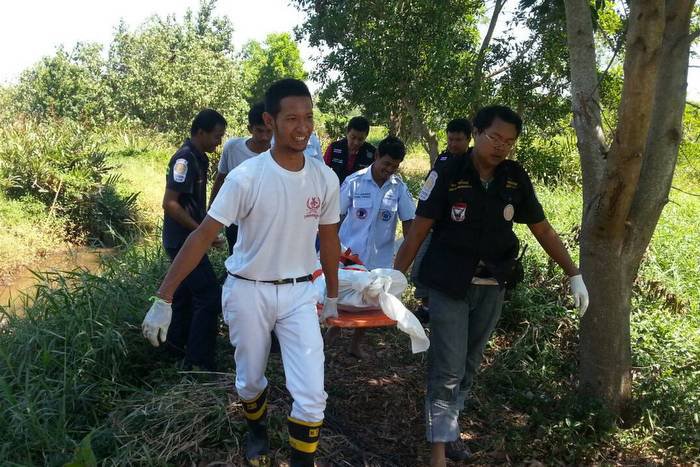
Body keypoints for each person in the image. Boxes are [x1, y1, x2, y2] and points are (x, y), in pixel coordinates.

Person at [142, 79, 341, 467]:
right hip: (248, 291)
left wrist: (332, 296)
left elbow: (329, 241)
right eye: (291, 119)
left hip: (300, 293)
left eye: (309, 118)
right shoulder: (247, 177)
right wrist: (163, 298)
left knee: (313, 395)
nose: (302, 128)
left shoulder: (324, 178)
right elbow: (202, 236)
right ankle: (258, 432)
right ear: (270, 120)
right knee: (249, 380)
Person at [394, 105, 589, 467]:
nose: (501, 146)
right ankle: (438, 453)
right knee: (447, 367)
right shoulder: (449, 171)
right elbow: (419, 229)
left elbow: (542, 228)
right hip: (448, 283)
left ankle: (449, 432)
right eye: (495, 137)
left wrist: (573, 273)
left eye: (509, 142)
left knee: (468, 364)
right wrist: (395, 276)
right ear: (477, 132)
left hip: (492, 284)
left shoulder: (514, 178)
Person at [327, 135, 415, 358]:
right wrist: (332, 246)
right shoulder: (355, 182)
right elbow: (335, 215)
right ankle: (333, 330)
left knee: (370, 302)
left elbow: (409, 222)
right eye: (386, 163)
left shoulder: (398, 189)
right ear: (376, 156)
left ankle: (356, 344)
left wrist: (406, 255)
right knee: (341, 295)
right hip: (349, 254)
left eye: (395, 166)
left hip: (380, 258)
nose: (389, 170)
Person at [153, 108, 227, 371]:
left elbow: (192, 202)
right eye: (216, 136)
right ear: (200, 132)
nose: (218, 142)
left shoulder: (199, 158)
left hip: (190, 239)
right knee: (209, 296)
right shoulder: (184, 159)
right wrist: (201, 232)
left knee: (184, 295)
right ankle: (199, 362)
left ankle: (174, 349)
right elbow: (170, 204)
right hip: (182, 241)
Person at [411, 118, 473, 324]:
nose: (454, 144)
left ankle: (438, 311)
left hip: (458, 229)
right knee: (421, 265)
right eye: (450, 139)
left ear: (468, 139)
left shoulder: (474, 162)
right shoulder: (443, 158)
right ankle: (426, 306)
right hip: (433, 223)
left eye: (459, 140)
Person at [209, 102, 272, 254]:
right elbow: (220, 178)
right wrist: (210, 210)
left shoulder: (278, 153)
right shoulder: (232, 147)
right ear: (250, 129)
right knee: (236, 259)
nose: (264, 137)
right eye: (259, 131)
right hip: (236, 221)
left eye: (269, 131)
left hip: (265, 223)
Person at [323, 116, 376, 185]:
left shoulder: (372, 152)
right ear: (347, 133)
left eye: (360, 139)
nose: (356, 142)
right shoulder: (334, 148)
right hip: (336, 190)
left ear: (366, 137)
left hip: (360, 193)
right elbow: (323, 171)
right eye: (353, 137)